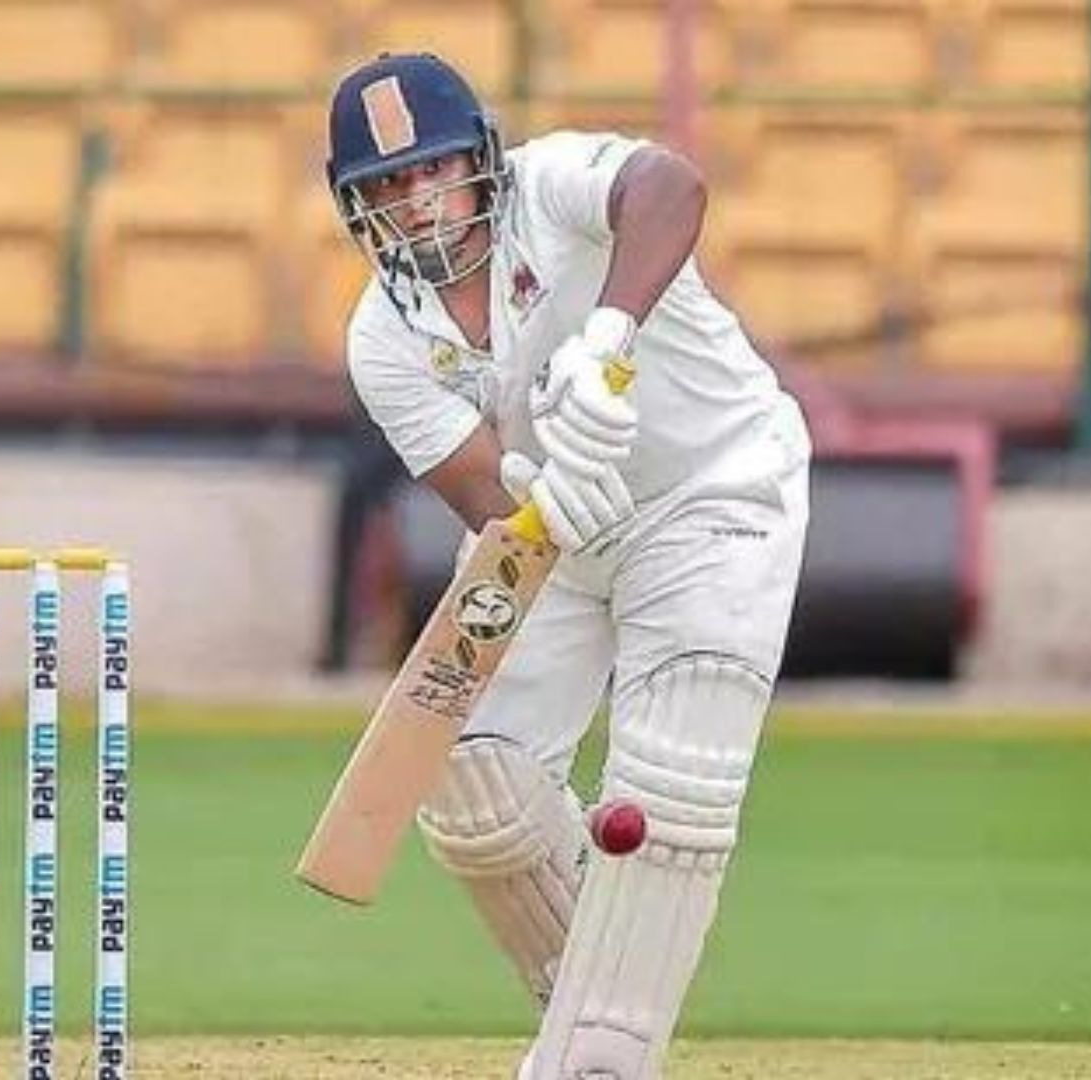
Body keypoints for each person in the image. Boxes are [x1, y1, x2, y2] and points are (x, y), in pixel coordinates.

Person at [326, 53, 811, 1078]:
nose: (417, 202)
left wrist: (608, 337)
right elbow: (479, 498)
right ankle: (595, 1001)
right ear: (356, 203)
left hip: (715, 489)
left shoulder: (553, 187)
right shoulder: (381, 340)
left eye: (433, 171)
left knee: (670, 784)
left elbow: (671, 185)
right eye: (388, 184)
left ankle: (599, 1058)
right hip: (556, 535)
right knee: (470, 787)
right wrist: (543, 502)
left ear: (478, 162)